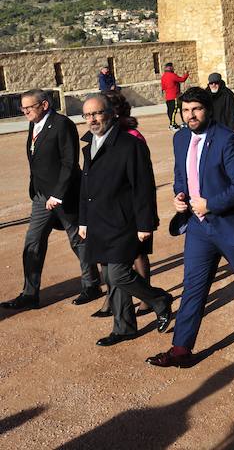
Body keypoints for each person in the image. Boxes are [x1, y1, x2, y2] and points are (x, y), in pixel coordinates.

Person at [147, 87, 234, 368]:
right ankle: (181, 349)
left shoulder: (227, 139)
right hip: (198, 228)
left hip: (231, 225)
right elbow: (181, 174)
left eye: (196, 109)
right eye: (185, 110)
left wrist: (210, 205)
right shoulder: (181, 138)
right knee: (194, 287)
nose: (190, 115)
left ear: (207, 110)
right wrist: (180, 195)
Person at [76, 94, 173, 346]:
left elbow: (143, 187)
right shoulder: (89, 146)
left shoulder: (130, 145)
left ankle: (159, 299)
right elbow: (85, 187)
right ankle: (124, 327)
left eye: (97, 113)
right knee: (110, 277)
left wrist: (145, 224)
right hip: (99, 222)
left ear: (111, 114)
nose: (92, 119)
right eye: (87, 115)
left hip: (124, 222)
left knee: (119, 275)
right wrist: (83, 221)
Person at [1, 90, 102, 311]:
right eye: (23, 108)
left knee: (78, 240)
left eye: (29, 107)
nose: (25, 111)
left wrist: (58, 194)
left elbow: (69, 162)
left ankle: (92, 284)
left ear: (44, 104)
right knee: (33, 243)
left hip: (65, 195)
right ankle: (30, 294)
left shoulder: (62, 124)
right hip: (40, 196)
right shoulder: (34, 122)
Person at [91, 90, 155, 318]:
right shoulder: (101, 137)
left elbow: (142, 179)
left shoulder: (132, 137)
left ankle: (148, 298)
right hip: (108, 211)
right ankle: (112, 300)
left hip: (128, 209)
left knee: (136, 255)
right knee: (107, 262)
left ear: (114, 111)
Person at [161, 63, 189, 132]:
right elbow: (182, 79)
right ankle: (172, 125)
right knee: (175, 110)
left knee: (170, 111)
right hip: (174, 96)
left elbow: (163, 87)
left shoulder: (163, 76)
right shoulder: (172, 75)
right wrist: (186, 74)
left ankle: (174, 123)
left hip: (168, 97)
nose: (173, 68)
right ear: (170, 68)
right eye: (172, 67)